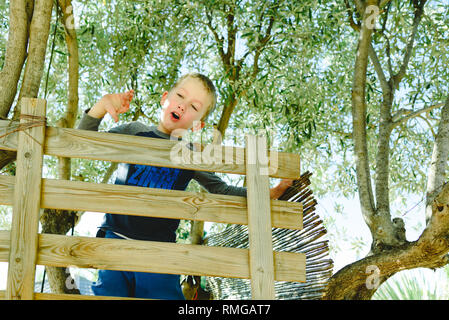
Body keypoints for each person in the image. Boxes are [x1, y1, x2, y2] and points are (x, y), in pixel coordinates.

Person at [77, 72, 292, 299]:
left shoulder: (190, 154)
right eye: (180, 95)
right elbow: (81, 142)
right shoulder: (134, 131)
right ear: (164, 98)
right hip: (115, 241)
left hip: (160, 251)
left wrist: (268, 193)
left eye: (194, 106)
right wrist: (102, 106)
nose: (183, 105)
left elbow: (221, 189)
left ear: (198, 124)